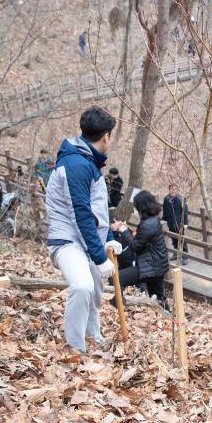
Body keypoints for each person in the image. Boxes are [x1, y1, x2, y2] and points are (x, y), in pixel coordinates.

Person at [45, 105, 123, 355]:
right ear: (106, 137)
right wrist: (99, 257)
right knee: (82, 286)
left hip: (86, 240)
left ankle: (93, 336)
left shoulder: (87, 161)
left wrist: (108, 238)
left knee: (95, 294)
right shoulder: (76, 164)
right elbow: (81, 214)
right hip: (67, 241)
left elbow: (97, 209)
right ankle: (75, 348)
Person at [110, 191, 169, 308]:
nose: (135, 210)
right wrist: (127, 230)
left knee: (117, 278)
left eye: (136, 207)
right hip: (158, 265)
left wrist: (124, 231)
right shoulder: (154, 220)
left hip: (151, 267)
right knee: (158, 298)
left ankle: (118, 308)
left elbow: (135, 246)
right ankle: (168, 315)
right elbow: (142, 240)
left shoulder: (147, 225)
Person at [162, 184, 189, 263]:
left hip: (179, 224)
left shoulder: (181, 199)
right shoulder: (166, 199)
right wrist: (163, 219)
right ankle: (176, 254)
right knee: (174, 239)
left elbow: (185, 212)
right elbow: (165, 210)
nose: (173, 191)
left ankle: (185, 257)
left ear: (177, 190)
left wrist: (185, 223)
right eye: (171, 189)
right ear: (169, 189)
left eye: (175, 189)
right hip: (170, 223)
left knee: (182, 240)